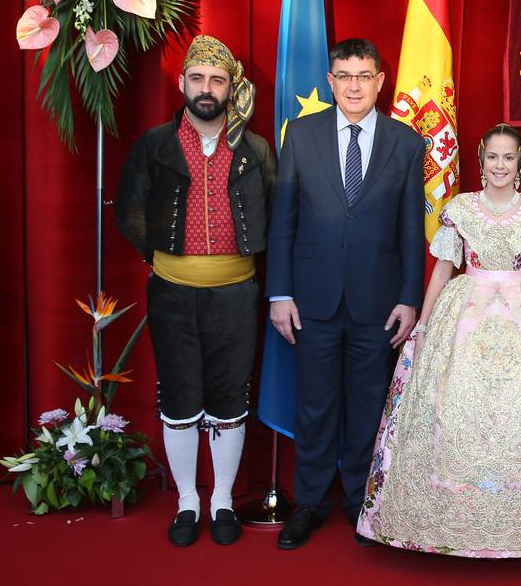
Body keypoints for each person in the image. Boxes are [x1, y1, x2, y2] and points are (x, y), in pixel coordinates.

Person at [357, 124, 521, 556]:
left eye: (508, 158)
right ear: (481, 162)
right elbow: (442, 268)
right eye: (492, 157)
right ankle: (449, 523)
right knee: (456, 410)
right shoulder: (461, 209)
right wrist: (424, 324)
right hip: (465, 318)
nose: (500, 165)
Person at [114, 35, 275, 547]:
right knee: (180, 395)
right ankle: (188, 501)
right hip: (172, 293)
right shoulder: (155, 144)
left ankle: (222, 498)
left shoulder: (256, 150)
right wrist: (165, 258)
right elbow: (130, 211)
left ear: (232, 88)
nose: (207, 89)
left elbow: (273, 209)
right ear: (182, 83)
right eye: (199, 79)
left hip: (237, 294)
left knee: (230, 395)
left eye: (218, 80)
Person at [267, 38, 424, 550]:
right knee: (313, 406)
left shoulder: (405, 142)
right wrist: (279, 293)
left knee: (366, 405)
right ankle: (309, 502)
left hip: (377, 304)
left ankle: (362, 503)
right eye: (344, 75)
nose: (353, 85)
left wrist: (409, 297)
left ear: (380, 81)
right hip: (311, 299)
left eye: (364, 75)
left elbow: (408, 228)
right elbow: (283, 218)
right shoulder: (302, 133)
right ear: (330, 80)